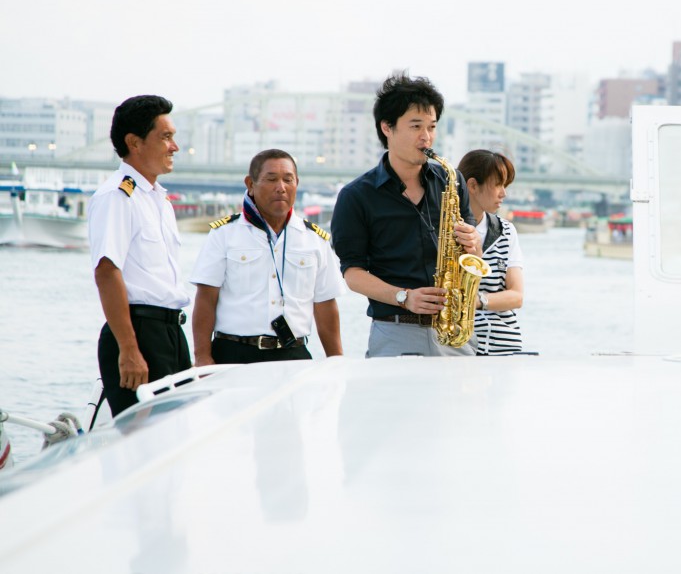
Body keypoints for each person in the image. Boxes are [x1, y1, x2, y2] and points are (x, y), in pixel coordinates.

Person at [330, 73, 482, 357]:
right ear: (387, 127)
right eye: (415, 126)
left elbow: (474, 258)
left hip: (455, 332)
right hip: (396, 331)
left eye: (432, 127)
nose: (427, 137)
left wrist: (473, 243)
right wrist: (404, 297)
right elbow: (352, 274)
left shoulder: (452, 181)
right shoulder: (356, 196)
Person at [88, 95, 191, 417]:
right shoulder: (118, 196)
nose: (174, 147)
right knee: (142, 436)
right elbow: (107, 271)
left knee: (178, 432)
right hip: (139, 333)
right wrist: (129, 349)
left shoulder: (158, 199)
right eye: (166, 137)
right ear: (134, 142)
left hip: (171, 332)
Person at [190, 149, 344, 364]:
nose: (281, 187)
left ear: (297, 183)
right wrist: (202, 356)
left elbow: (325, 305)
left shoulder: (314, 239)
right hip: (234, 353)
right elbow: (206, 299)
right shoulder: (224, 234)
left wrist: (336, 362)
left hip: (293, 355)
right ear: (250, 184)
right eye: (271, 179)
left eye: (288, 180)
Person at [456, 150, 525, 355]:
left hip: (506, 349)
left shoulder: (506, 230)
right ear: (472, 185)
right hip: (458, 348)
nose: (503, 193)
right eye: (498, 185)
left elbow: (517, 296)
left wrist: (477, 301)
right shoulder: (444, 230)